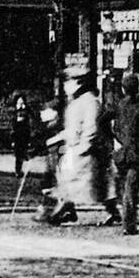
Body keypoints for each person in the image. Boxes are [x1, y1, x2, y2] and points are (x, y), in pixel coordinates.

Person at [47, 65, 122, 227]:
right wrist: (53, 140)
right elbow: (72, 129)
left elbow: (91, 129)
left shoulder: (90, 102)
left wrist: (82, 148)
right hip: (75, 150)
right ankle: (69, 209)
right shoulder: (76, 103)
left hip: (87, 153)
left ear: (78, 83)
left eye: (68, 82)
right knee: (77, 181)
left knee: (84, 182)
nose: (66, 86)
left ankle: (66, 209)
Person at [113, 72, 139, 236]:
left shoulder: (119, 106)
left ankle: (127, 222)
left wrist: (115, 139)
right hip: (137, 155)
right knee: (130, 190)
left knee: (126, 188)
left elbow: (104, 121)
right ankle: (129, 225)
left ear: (123, 89)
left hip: (122, 154)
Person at [12, 95, 32, 178]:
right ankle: (18, 170)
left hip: (24, 134)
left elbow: (29, 122)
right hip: (17, 135)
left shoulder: (26, 111)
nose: (20, 104)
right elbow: (13, 125)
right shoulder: (15, 112)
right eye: (19, 102)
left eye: (22, 102)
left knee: (23, 152)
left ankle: (21, 169)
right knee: (18, 154)